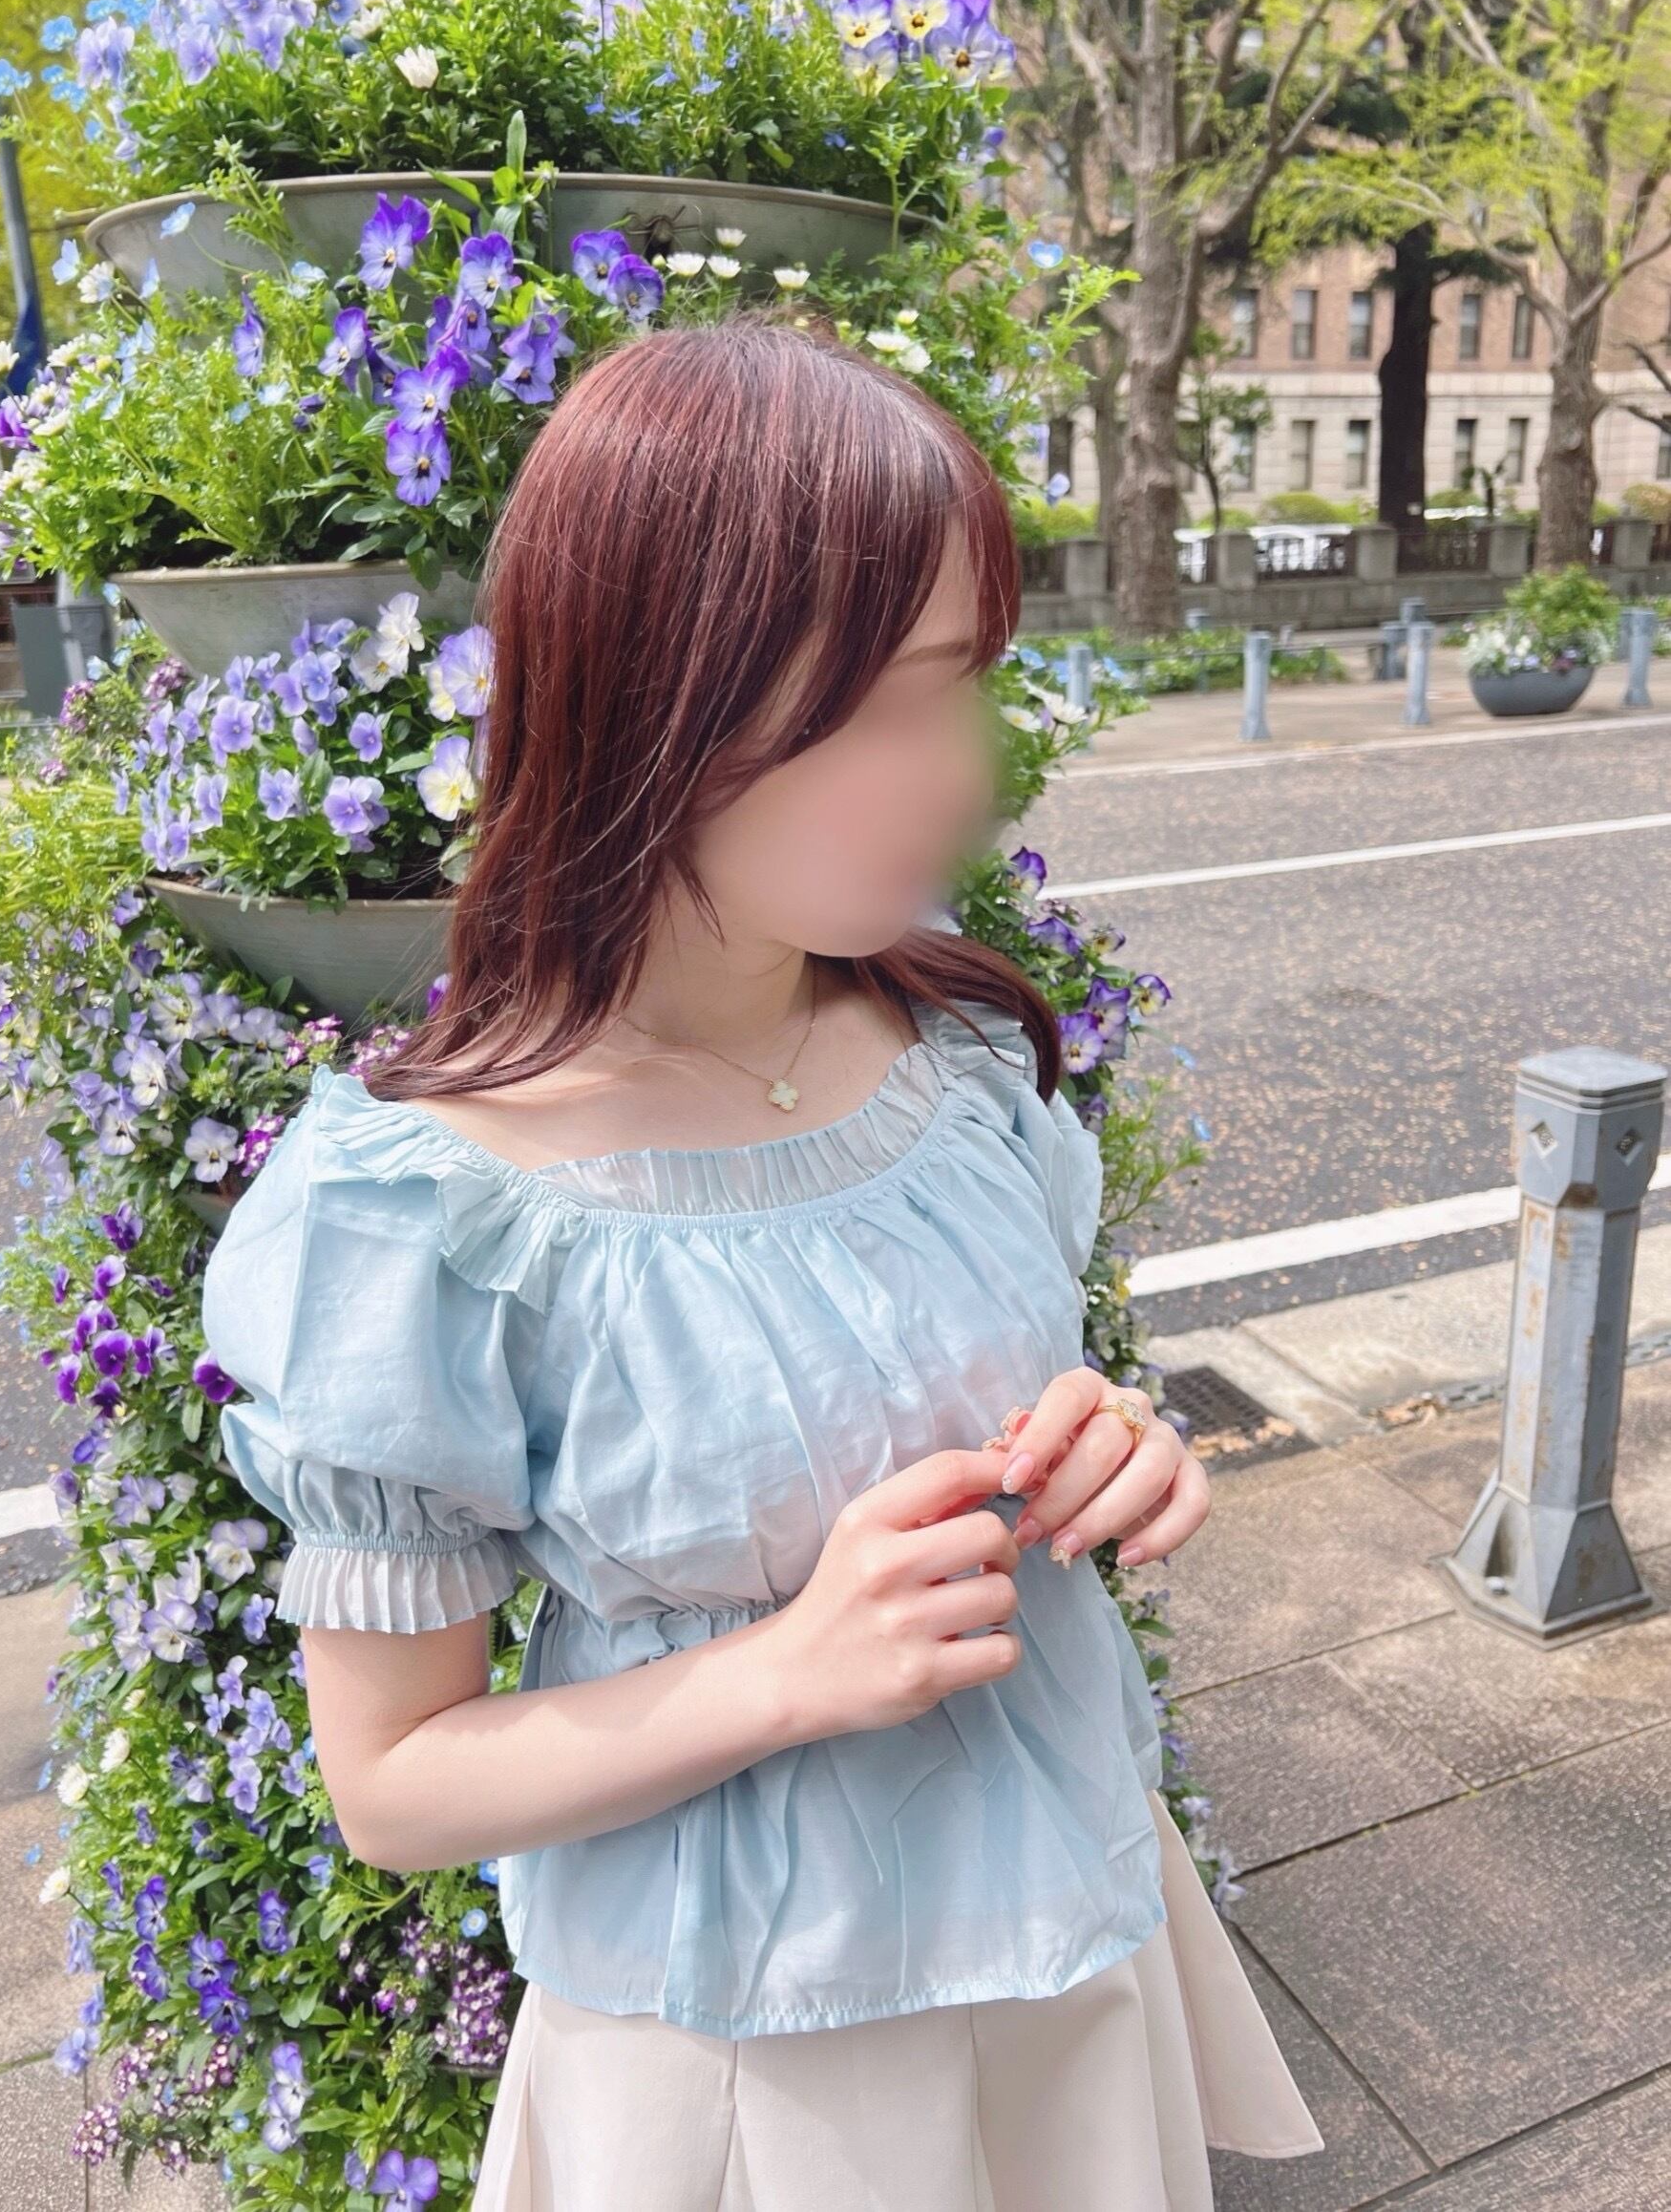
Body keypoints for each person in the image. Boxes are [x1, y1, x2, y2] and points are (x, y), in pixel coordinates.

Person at [200, 312, 1322, 2211]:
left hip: (1076, 1921)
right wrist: (787, 1672)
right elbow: (392, 1783)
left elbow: (985, 1401)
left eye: (969, 685)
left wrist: (1102, 1442)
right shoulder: (429, 1217)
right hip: (758, 2052)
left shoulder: (947, 1060)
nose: (962, 775)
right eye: (882, 703)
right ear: (651, 702)